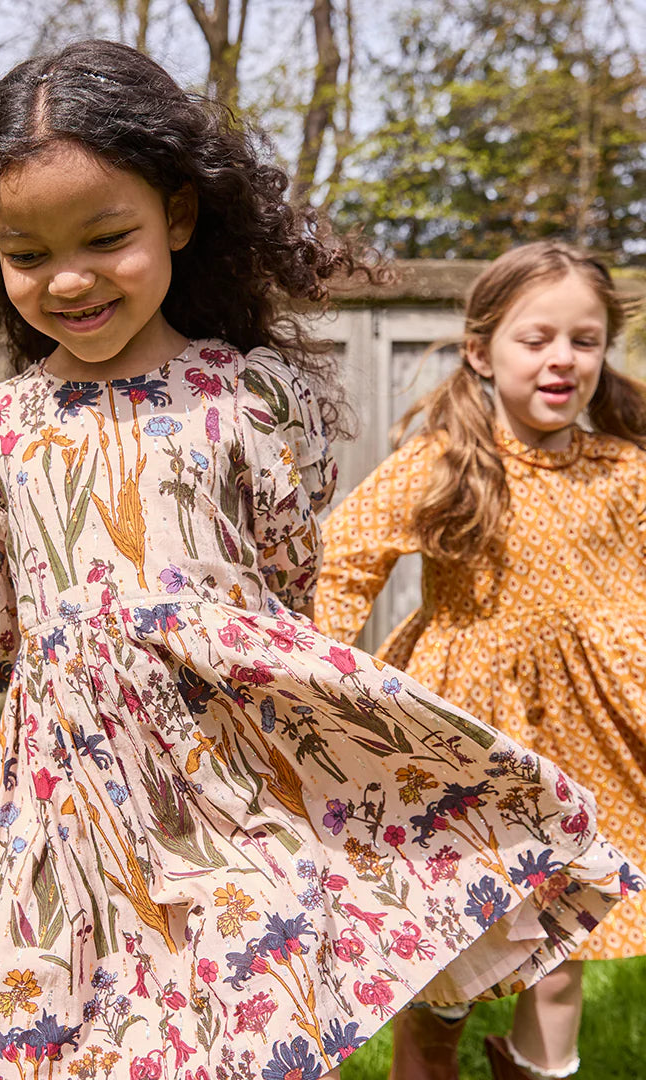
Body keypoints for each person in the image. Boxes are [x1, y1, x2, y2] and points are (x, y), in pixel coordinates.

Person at [0, 41, 636, 1080]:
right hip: (62, 816)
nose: (68, 276)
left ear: (177, 213)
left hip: (230, 803)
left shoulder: (254, 400)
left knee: (243, 1043)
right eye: (25, 252)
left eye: (105, 235)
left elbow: (284, 604)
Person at [315, 241, 646, 1080]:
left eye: (585, 339)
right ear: (481, 349)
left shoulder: (626, 471)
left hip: (592, 743)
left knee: (565, 946)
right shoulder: (449, 462)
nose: (563, 359)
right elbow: (344, 560)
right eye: (536, 339)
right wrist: (319, 683)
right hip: (473, 745)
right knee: (444, 963)